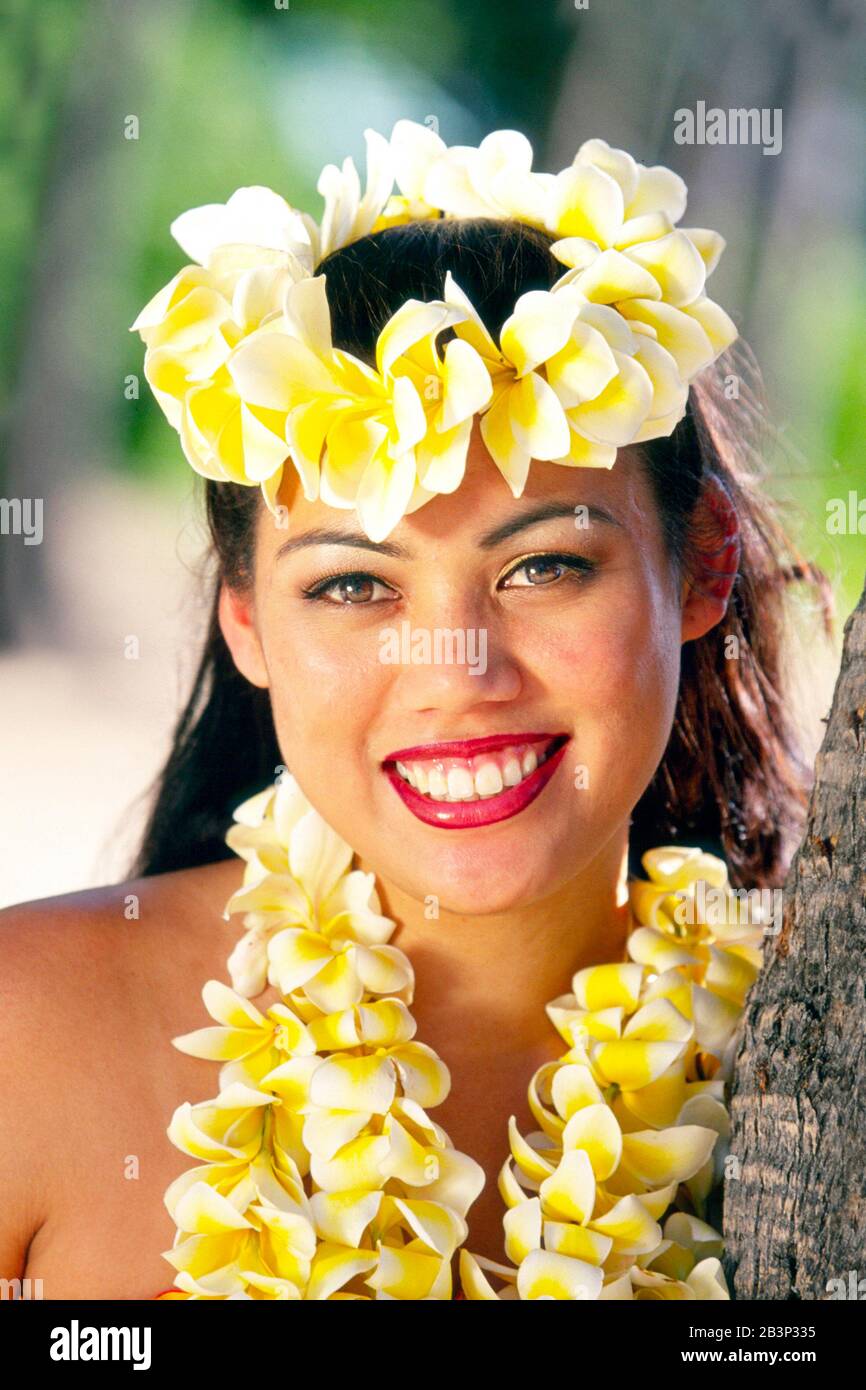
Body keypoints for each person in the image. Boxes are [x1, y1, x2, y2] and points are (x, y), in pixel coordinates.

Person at [0, 128, 823, 1301]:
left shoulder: (816, 1061)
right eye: (351, 585)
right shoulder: (23, 1037)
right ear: (246, 624)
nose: (454, 669)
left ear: (698, 571)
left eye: (543, 566)